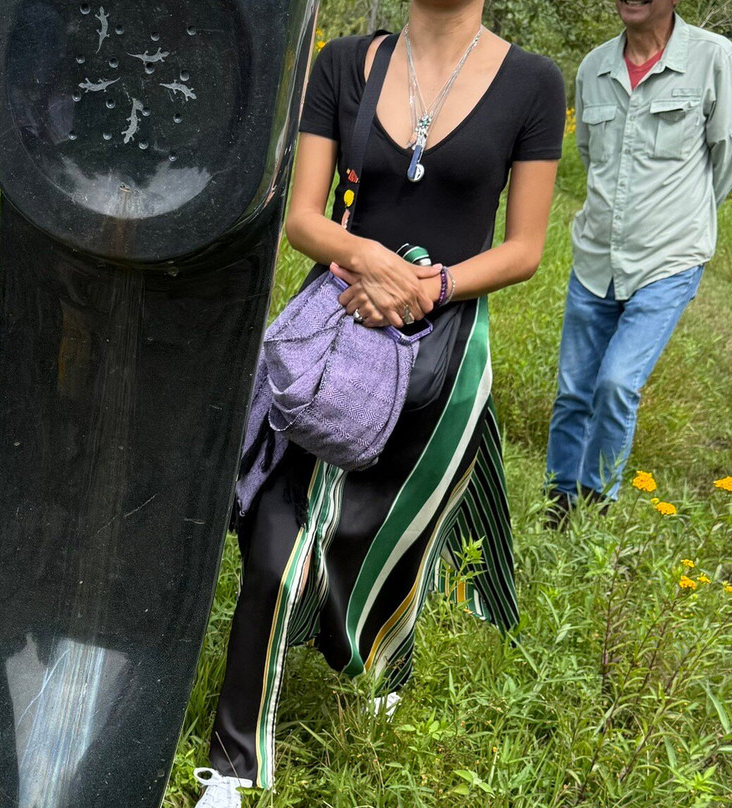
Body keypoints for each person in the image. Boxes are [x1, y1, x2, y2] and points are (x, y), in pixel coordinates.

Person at [192, 1, 565, 805]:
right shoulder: (343, 65)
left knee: (390, 529)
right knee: (276, 538)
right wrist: (369, 260)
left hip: (444, 349)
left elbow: (526, 247)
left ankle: (378, 656)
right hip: (338, 327)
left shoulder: (534, 84)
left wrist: (429, 285)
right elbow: (301, 218)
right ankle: (232, 764)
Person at [544, 0, 732, 522]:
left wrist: (682, 218)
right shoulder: (593, 68)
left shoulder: (715, 58)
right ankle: (557, 507)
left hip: (669, 259)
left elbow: (726, 163)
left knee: (616, 383)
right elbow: (588, 155)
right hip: (595, 257)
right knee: (574, 392)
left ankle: (596, 509)